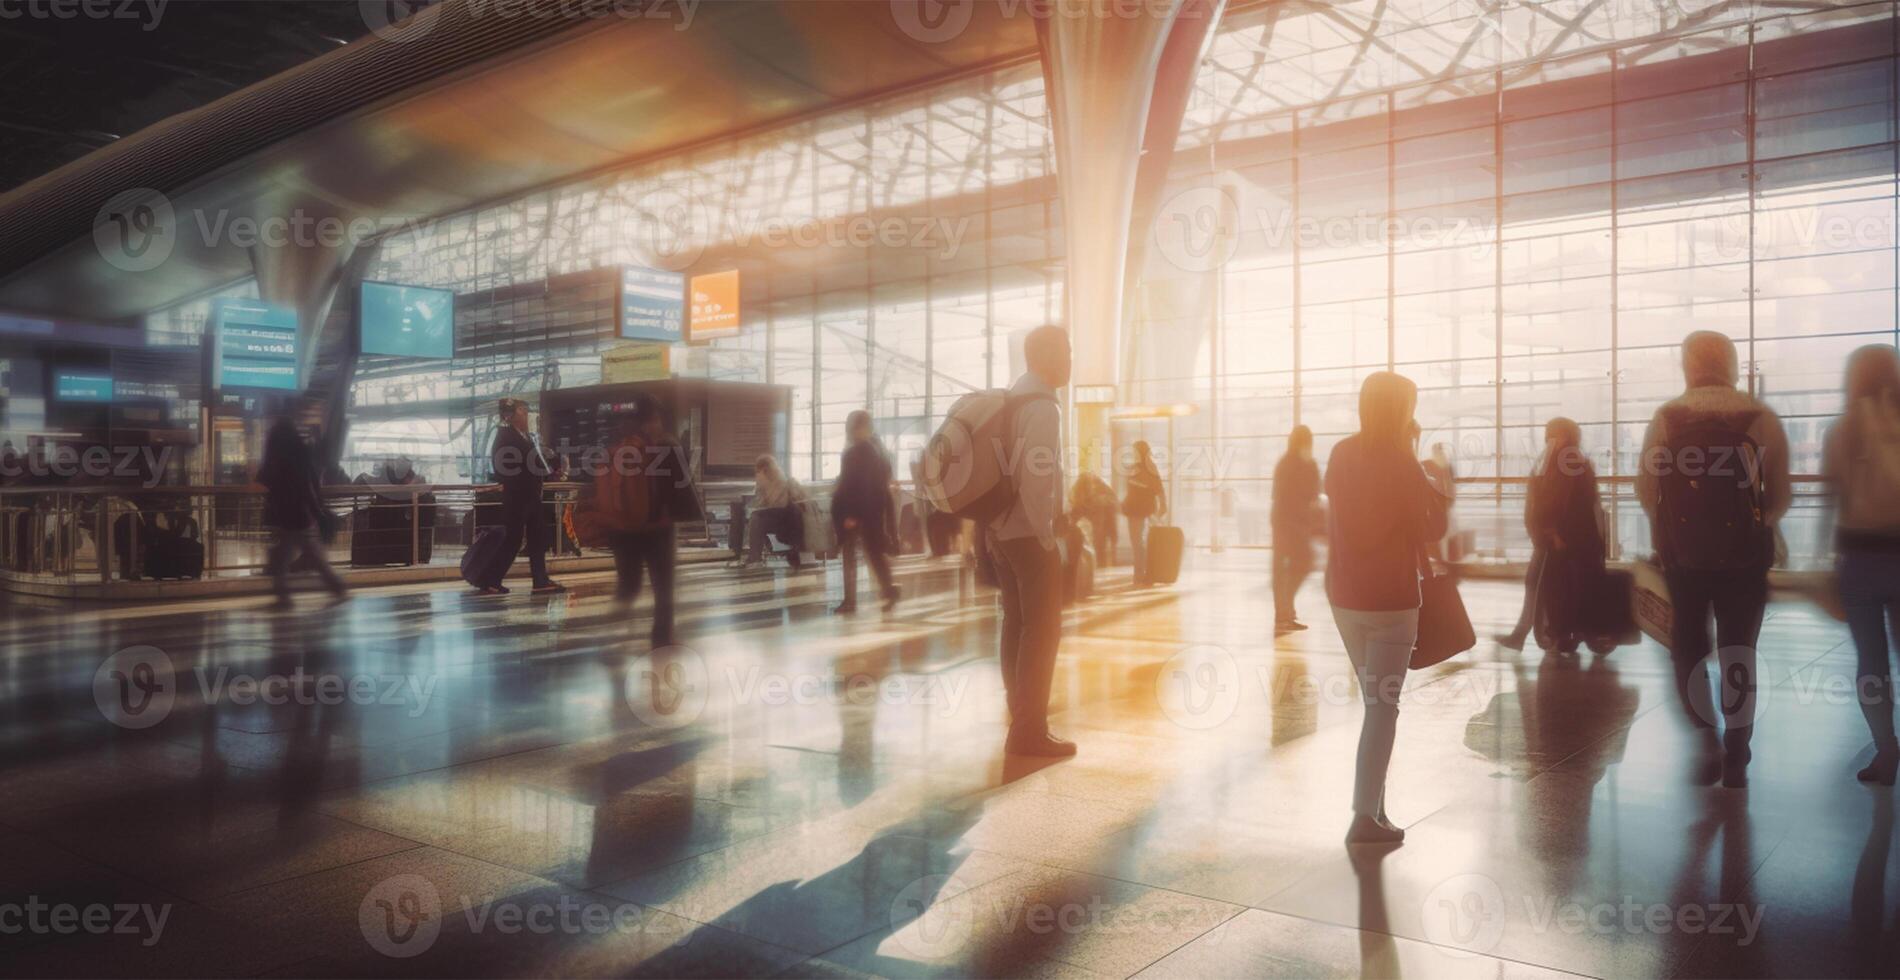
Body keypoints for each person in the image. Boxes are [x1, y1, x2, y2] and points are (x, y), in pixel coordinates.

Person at [1635, 330, 1791, 789]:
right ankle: (1738, 747)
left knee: (1686, 649)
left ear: (1687, 365)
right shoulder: (1759, 416)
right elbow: (1778, 495)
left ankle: (1704, 736)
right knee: (1738, 650)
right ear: (1732, 362)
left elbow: (1647, 490)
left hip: (1684, 559)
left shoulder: (1667, 417)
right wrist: (1756, 525)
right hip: (1745, 559)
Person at [1326, 372, 1448, 845]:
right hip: (1392, 602)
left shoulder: (1340, 453)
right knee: (1383, 709)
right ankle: (1362, 817)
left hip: (1345, 597)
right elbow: (1432, 527)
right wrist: (1423, 466)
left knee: (1373, 704)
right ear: (1402, 411)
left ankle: (1374, 810)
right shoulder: (1403, 463)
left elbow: (1343, 512)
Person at [990, 324, 1075, 757]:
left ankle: (1018, 712)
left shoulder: (1010, 398)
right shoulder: (1042, 405)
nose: (1071, 360)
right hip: (1027, 531)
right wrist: (1046, 535)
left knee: (1016, 624)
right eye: (1066, 351)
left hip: (1001, 528)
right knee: (1043, 630)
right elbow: (1037, 476)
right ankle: (1030, 730)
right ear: (1045, 357)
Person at [1824, 344, 1900, 786]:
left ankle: (1886, 749)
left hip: (1860, 559)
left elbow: (1835, 500)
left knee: (1871, 661)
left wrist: (1827, 559)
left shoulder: (1843, 429)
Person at [603, 396, 698, 648]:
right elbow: (681, 484)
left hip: (624, 528)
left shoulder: (618, 445)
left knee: (629, 583)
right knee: (663, 585)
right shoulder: (666, 444)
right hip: (658, 527)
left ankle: (613, 623)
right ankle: (662, 636)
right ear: (654, 419)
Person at [1525, 418, 1605, 654]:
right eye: (1550, 436)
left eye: (1556, 436)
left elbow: (1549, 501)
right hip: (1577, 535)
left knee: (1557, 587)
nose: (1552, 440)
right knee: (1572, 585)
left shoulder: (1558, 464)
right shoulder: (1577, 462)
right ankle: (1575, 631)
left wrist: (1549, 531)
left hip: (1565, 537)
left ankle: (1562, 632)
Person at [258, 417, 347, 609]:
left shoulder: (282, 460)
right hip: (301, 516)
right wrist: (317, 512)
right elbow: (309, 488)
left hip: (291, 517)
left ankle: (285, 598)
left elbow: (266, 479)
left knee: (286, 559)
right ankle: (336, 588)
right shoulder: (299, 456)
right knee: (305, 557)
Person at [482, 397, 564, 596]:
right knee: (513, 540)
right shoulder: (505, 437)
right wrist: (533, 473)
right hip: (518, 498)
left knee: (537, 538)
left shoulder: (524, 436)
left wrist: (550, 469)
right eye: (523, 412)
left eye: (526, 412)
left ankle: (540, 580)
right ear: (510, 415)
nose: (526, 416)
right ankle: (491, 579)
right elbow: (504, 469)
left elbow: (535, 462)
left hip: (530, 497)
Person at [831, 410, 901, 614]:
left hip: (857, 511)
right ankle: (888, 590)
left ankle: (851, 601)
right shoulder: (878, 451)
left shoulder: (857, 452)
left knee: (851, 555)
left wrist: (851, 514)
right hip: (873, 509)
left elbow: (854, 484)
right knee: (875, 553)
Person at [1272, 425, 1321, 634]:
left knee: (1285, 568)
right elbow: (1312, 492)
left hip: (1282, 521)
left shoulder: (1285, 463)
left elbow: (1278, 494)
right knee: (1302, 563)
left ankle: (1285, 613)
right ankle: (1284, 612)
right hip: (1292, 522)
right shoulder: (1302, 464)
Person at [742, 454, 805, 569]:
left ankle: (755, 559)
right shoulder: (763, 488)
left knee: (756, 517)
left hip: (788, 526)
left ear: (765, 470)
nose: (756, 475)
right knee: (754, 517)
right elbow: (759, 506)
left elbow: (792, 506)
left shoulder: (787, 484)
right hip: (777, 525)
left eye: (758, 472)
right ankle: (752, 557)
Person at [1123, 440, 1165, 586]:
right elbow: (1159, 490)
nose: (1133, 453)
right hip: (1141, 509)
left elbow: (1157, 489)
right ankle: (1143, 575)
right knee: (1139, 544)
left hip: (1138, 510)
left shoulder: (1146, 469)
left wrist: (1162, 507)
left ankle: (1140, 576)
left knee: (1138, 544)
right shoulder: (1145, 468)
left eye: (1134, 451)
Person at [1068, 470, 1119, 566]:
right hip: (1098, 515)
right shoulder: (1084, 489)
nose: (1091, 487)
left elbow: (1075, 505)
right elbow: (1077, 504)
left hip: (1103, 515)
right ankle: (1101, 561)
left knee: (1101, 539)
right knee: (1100, 539)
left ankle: (1102, 561)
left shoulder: (1099, 489)